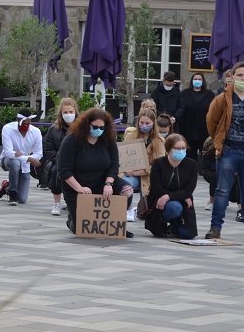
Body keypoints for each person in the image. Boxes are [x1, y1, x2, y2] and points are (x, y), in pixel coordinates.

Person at [57, 107, 134, 235]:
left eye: (101, 128)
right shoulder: (72, 140)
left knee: (127, 190)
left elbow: (114, 165)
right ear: (87, 125)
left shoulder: (108, 139)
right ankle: (72, 219)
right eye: (95, 127)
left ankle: (115, 222)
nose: (98, 130)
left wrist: (108, 184)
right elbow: (64, 171)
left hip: (102, 181)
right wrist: (79, 188)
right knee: (82, 229)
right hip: (77, 184)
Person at [205, 61, 244, 239]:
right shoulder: (222, 99)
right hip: (229, 150)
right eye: (240, 76)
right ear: (232, 77)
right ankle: (215, 228)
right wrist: (219, 140)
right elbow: (211, 121)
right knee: (222, 190)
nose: (243, 79)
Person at [144, 134, 198, 239]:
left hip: (181, 201)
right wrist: (178, 196)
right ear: (169, 149)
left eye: (183, 148)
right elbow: (156, 189)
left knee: (187, 235)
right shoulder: (158, 163)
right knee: (174, 207)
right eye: (177, 148)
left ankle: (175, 223)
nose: (181, 151)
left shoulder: (191, 164)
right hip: (159, 201)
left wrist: (167, 197)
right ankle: (163, 222)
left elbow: (189, 189)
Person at [120, 109, 165, 222]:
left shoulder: (159, 140)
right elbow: (122, 157)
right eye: (142, 123)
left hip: (149, 175)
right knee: (125, 184)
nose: (144, 126)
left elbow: (158, 164)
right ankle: (128, 208)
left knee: (147, 211)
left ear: (153, 123)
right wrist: (127, 170)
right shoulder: (130, 136)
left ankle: (142, 210)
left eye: (147, 123)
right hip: (130, 173)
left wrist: (137, 172)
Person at [0, 108, 43, 205]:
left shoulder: (36, 132)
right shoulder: (7, 129)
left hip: (25, 165)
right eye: (23, 124)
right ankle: (12, 192)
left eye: (28, 124)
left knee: (22, 200)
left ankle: (7, 187)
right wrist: (29, 158)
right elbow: (9, 153)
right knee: (15, 162)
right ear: (17, 120)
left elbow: (39, 153)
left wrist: (25, 157)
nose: (25, 126)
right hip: (7, 160)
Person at [42, 97, 78, 216]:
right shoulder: (54, 129)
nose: (68, 115)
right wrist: (58, 159)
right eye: (65, 112)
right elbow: (48, 148)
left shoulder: (81, 128)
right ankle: (56, 203)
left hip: (78, 161)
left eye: (71, 112)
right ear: (60, 113)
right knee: (57, 172)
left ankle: (72, 201)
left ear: (75, 112)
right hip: (58, 161)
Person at [201, 135, 241, 216]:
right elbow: (208, 163)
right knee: (218, 175)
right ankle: (212, 201)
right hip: (212, 169)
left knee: (239, 178)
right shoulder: (211, 143)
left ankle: (240, 208)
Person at [179, 72, 213, 161]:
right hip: (188, 130)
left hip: (204, 130)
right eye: (195, 79)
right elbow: (181, 108)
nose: (197, 81)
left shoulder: (209, 94)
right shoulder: (184, 93)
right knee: (189, 156)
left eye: (199, 79)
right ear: (191, 81)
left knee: (206, 155)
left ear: (203, 81)